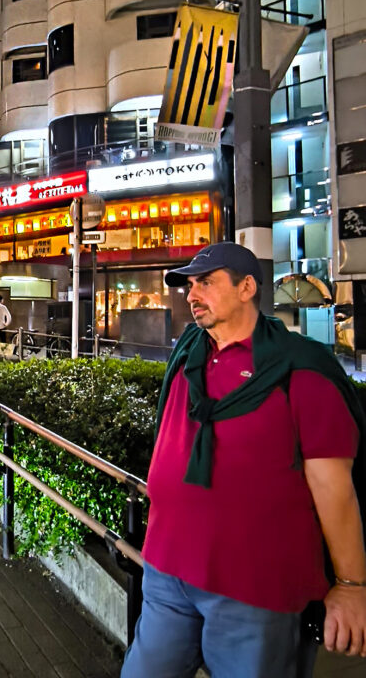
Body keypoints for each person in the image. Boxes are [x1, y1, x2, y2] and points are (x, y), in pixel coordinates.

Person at [121, 241, 366, 678]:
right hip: (167, 567)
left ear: (247, 287)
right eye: (191, 285)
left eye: (207, 283)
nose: (192, 295)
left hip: (256, 587)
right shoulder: (188, 355)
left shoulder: (301, 369)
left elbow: (334, 488)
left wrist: (351, 586)